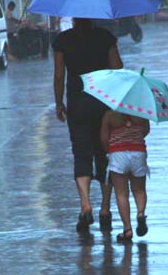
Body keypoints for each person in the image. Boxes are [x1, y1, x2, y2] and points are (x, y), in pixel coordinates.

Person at [52, 18, 123, 232]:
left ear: (73, 18)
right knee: (105, 153)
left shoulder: (63, 40)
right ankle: (104, 209)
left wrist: (58, 103)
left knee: (81, 153)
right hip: (103, 103)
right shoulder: (105, 37)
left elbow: (58, 75)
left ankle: (85, 206)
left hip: (77, 104)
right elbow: (118, 68)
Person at [100, 112, 150, 242]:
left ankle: (127, 229)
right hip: (138, 152)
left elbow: (104, 139)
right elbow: (146, 130)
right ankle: (140, 213)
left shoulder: (109, 115)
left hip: (118, 154)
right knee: (139, 190)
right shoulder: (142, 111)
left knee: (121, 193)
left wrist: (110, 149)